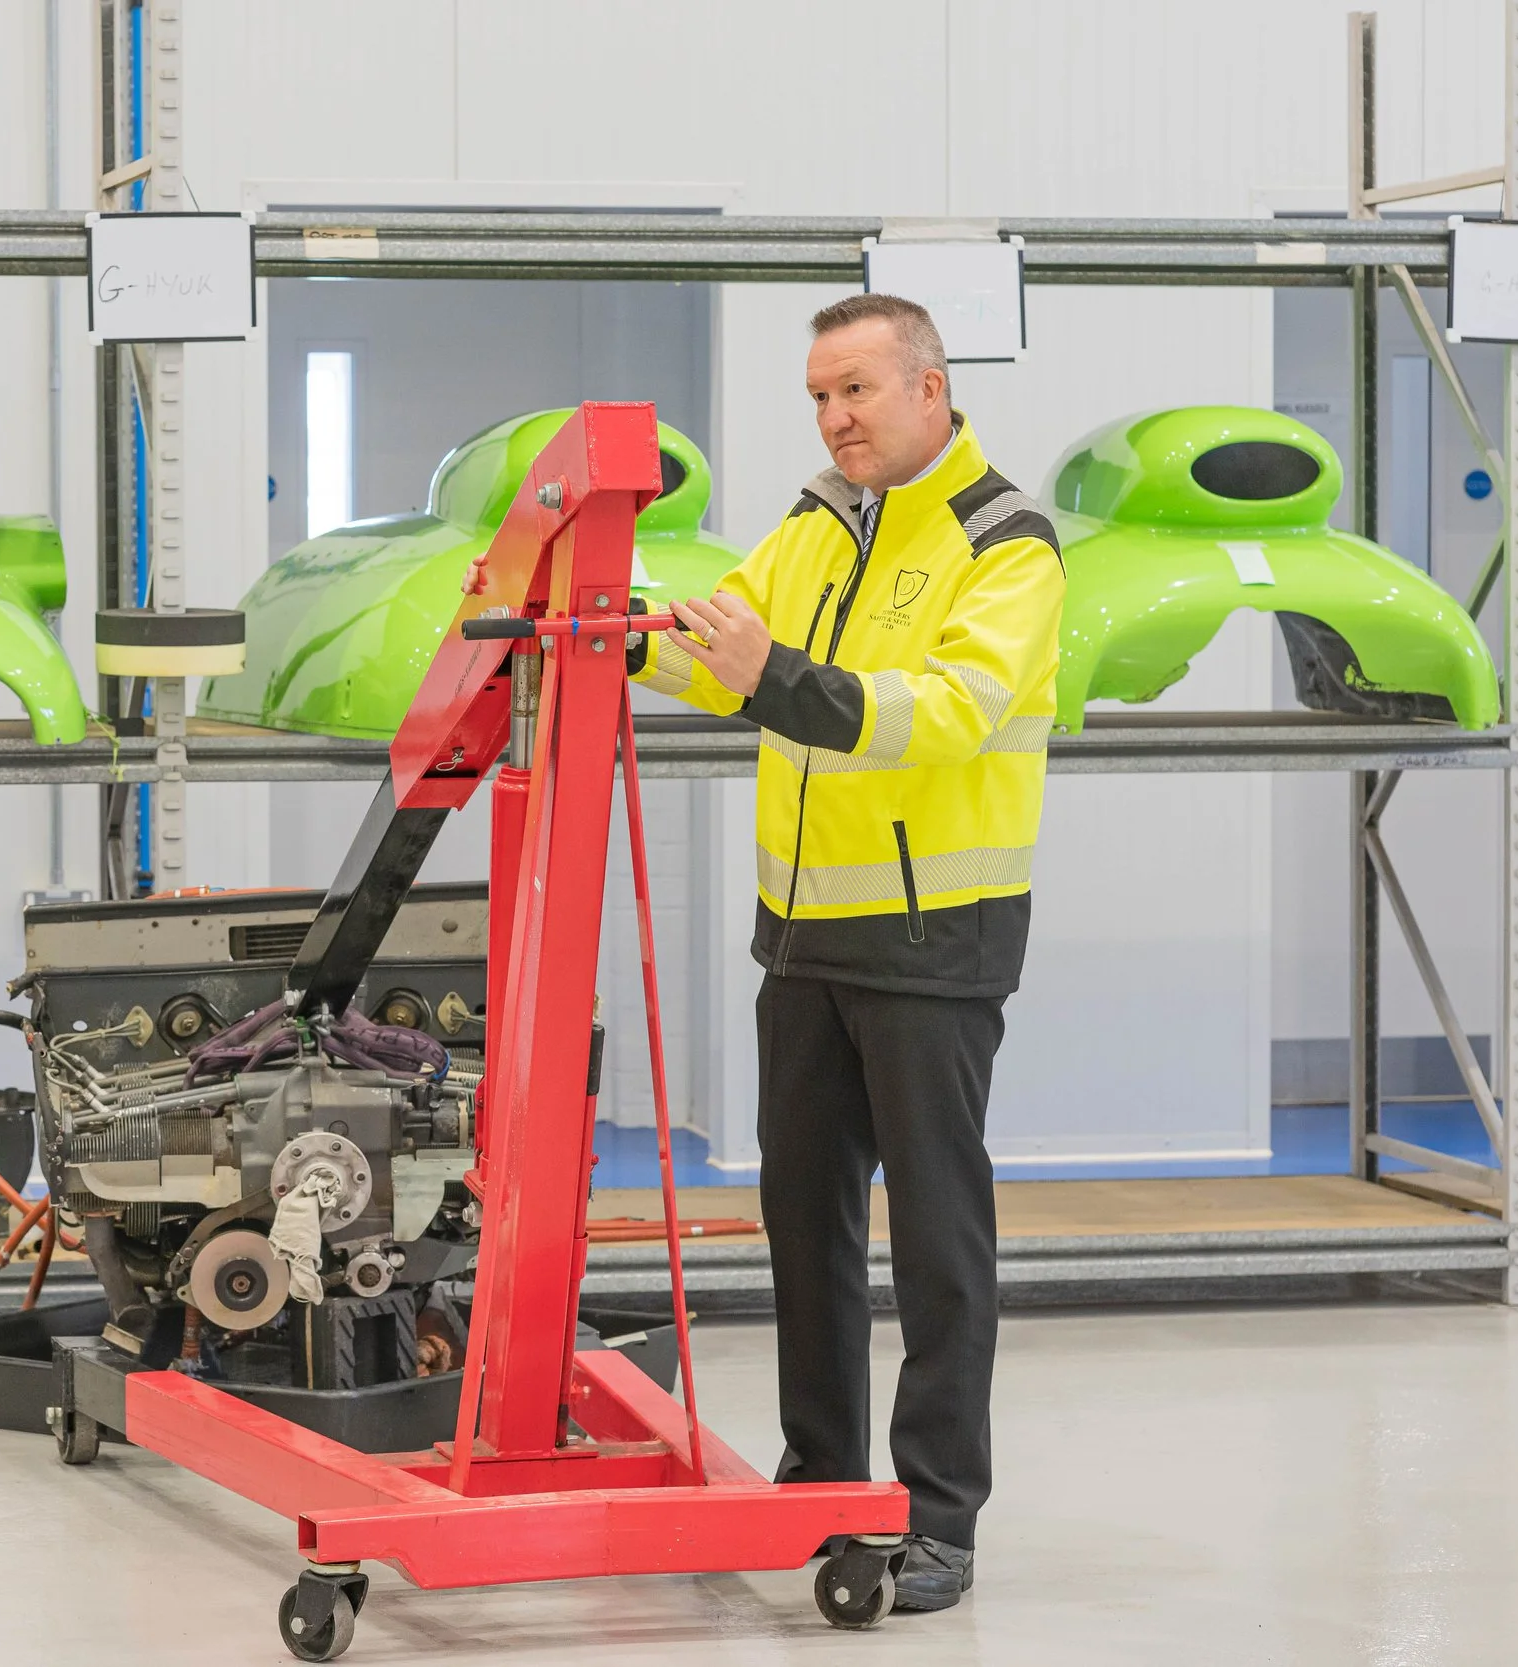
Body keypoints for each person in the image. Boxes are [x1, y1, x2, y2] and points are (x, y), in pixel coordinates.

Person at [469, 292, 1064, 1610]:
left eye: (855, 389)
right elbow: (718, 648)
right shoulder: (811, 525)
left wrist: (769, 671)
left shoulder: (1005, 542)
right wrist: (608, 632)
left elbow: (946, 712)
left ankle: (939, 1520)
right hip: (800, 937)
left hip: (933, 937)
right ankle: (819, 1479)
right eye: (816, 395)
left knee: (938, 1242)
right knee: (803, 1221)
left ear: (930, 387)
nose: (834, 417)